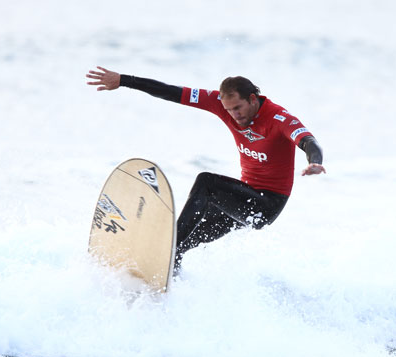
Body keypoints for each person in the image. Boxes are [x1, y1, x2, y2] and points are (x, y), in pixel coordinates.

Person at [86, 67, 326, 273]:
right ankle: (172, 268)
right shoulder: (221, 104)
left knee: (207, 183)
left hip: (266, 206)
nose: (234, 115)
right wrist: (124, 80)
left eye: (238, 107)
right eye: (228, 109)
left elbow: (308, 141)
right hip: (239, 199)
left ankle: (169, 246)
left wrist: (314, 161)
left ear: (253, 99)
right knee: (188, 239)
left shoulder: (279, 118)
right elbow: (171, 92)